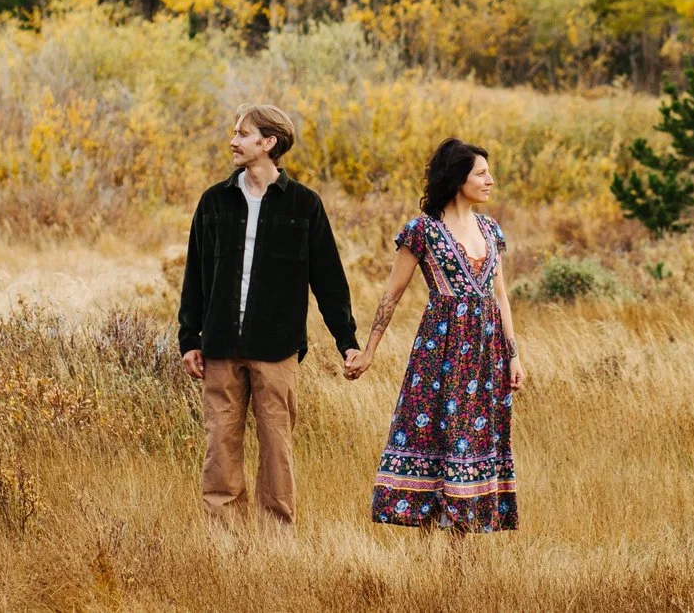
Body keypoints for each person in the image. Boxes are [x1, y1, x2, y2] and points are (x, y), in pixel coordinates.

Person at [177, 103, 361, 530]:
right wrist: (190, 338)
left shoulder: (304, 205)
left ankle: (275, 539)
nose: (233, 141)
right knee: (220, 445)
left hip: (277, 350)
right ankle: (223, 539)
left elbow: (329, 281)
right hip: (220, 346)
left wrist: (346, 341)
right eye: (235, 133)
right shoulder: (214, 202)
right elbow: (195, 275)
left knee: (276, 446)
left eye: (242, 133)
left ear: (268, 142)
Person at [346, 137, 522, 533]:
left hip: (485, 356)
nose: (490, 180)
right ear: (459, 179)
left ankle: (460, 564)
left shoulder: (491, 229)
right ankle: (432, 563)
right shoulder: (423, 230)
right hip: (440, 353)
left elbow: (501, 297)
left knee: (474, 448)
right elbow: (391, 295)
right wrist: (369, 351)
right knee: (437, 446)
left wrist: (513, 354)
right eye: (481, 173)